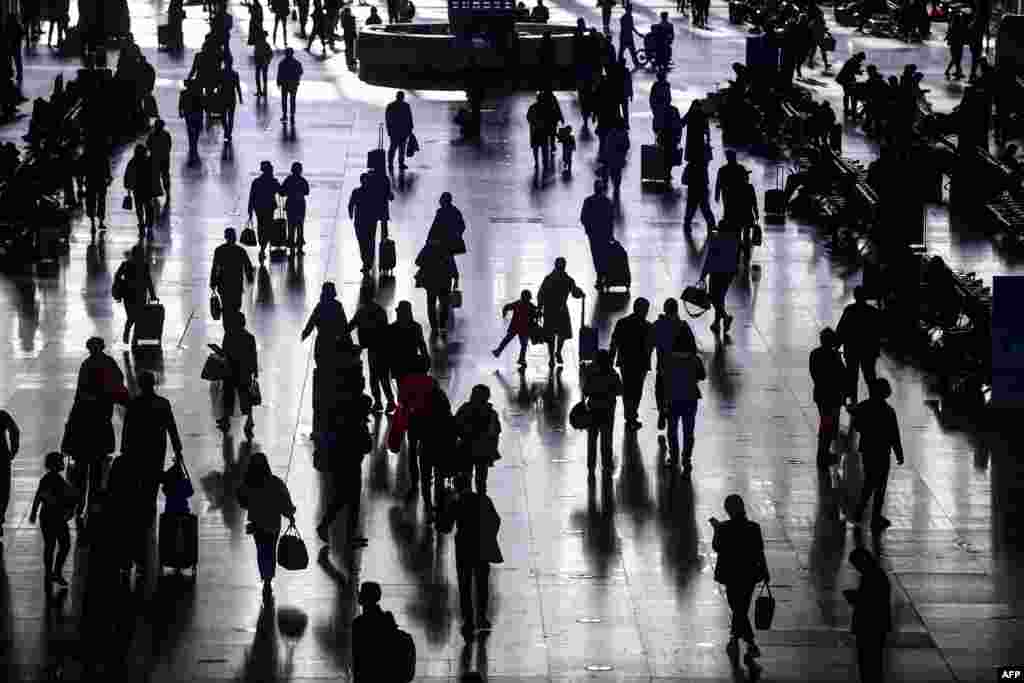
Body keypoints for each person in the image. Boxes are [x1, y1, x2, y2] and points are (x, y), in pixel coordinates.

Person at [65, 338, 124, 531]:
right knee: (98, 470)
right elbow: (118, 385)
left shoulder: (87, 365)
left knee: (82, 470)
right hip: (101, 422)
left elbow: (79, 395)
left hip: (84, 426)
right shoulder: (109, 364)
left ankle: (80, 504)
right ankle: (95, 505)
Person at [710, 494, 769, 662]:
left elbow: (717, 547)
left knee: (738, 608)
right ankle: (737, 639)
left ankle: (748, 643)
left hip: (731, 575)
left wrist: (716, 529)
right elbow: (759, 552)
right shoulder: (753, 527)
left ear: (728, 510)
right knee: (741, 608)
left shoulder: (724, 528)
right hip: (749, 575)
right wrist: (765, 571)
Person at [120, 370, 183, 524]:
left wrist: (124, 449)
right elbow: (171, 427)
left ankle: (140, 510)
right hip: (157, 447)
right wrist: (177, 448)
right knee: (154, 479)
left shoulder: (134, 404)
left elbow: (127, 429)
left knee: (139, 477)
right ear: (153, 384)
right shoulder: (162, 403)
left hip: (137, 448)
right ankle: (150, 509)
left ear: (140, 385)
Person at [237, 451, 296, 599]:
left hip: (257, 525)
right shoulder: (275, 482)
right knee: (271, 550)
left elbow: (243, 501)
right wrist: (289, 514)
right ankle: (269, 578)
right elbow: (285, 501)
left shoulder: (248, 484)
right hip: (273, 524)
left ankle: (266, 577)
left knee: (262, 551)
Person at [848, 378, 904, 531]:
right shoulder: (888, 411)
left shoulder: (864, 407)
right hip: (882, 452)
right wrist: (899, 453)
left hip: (868, 449)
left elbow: (857, 425)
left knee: (869, 481)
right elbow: (894, 434)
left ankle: (859, 511)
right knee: (880, 486)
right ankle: (876, 517)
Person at [452, 472, 502, 641]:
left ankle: (468, 620)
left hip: (463, 549)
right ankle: (482, 616)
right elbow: (496, 520)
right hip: (481, 548)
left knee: (464, 585)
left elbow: (445, 525)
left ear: (456, 487)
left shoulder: (457, 502)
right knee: (482, 584)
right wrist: (489, 536)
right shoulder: (483, 499)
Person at [648, 298, 697, 431]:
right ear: (676, 310)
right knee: (674, 395)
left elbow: (649, 344)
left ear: (665, 309)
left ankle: (661, 411)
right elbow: (693, 349)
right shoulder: (683, 326)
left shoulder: (657, 325)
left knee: (660, 391)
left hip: (662, 367)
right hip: (679, 370)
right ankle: (670, 417)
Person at [29, 452, 77, 586]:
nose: (63, 464)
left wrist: (34, 512)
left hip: (47, 517)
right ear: (57, 464)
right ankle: (56, 571)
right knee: (64, 544)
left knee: (50, 545)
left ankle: (50, 573)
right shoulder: (55, 480)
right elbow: (42, 496)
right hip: (56, 517)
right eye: (61, 462)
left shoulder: (48, 479)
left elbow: (38, 497)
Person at [844, 548, 892, 683]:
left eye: (857, 565)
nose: (857, 569)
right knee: (872, 664)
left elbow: (870, 603)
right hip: (876, 627)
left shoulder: (872, 576)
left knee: (869, 664)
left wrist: (853, 597)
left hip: (870, 628)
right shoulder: (875, 574)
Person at [609, 298, 652, 431]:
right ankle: (631, 415)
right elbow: (652, 345)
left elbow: (614, 342)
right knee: (637, 390)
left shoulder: (622, 323)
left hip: (625, 362)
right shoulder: (647, 326)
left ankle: (630, 415)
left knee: (627, 389)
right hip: (641, 364)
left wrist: (610, 359)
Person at [349, 292, 396, 413]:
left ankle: (379, 402)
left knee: (374, 377)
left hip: (373, 349)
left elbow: (351, 325)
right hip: (383, 348)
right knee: (384, 377)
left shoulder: (361, 312)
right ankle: (390, 401)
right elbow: (385, 328)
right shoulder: (380, 310)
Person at [836, 286, 882, 404]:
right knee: (870, 376)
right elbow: (878, 332)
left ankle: (854, 401)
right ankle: (875, 398)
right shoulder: (873, 312)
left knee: (852, 377)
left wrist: (837, 344)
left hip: (852, 350)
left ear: (855, 296)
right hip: (868, 350)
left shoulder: (849, 310)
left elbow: (842, 329)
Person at [219, 312, 259, 440]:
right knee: (246, 397)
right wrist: (255, 371)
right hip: (244, 372)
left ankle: (226, 419)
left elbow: (224, 352)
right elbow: (253, 355)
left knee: (228, 396)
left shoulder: (229, 335)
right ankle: (249, 421)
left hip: (230, 371)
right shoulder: (250, 337)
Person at [810, 328, 846, 470]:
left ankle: (823, 454)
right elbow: (842, 374)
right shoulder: (833, 355)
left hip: (820, 393)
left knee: (825, 423)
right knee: (829, 426)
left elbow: (814, 373)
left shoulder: (815, 354)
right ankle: (823, 456)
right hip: (832, 395)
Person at [582, 349, 622, 478]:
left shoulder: (591, 373)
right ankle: (606, 464)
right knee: (607, 438)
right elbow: (620, 391)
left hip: (593, 409)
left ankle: (591, 465)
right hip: (608, 410)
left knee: (592, 439)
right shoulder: (613, 374)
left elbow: (586, 390)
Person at [455, 385, 501, 493]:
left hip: (466, 449)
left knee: (466, 478)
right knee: (481, 481)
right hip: (483, 451)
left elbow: (455, 426)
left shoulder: (465, 409)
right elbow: (496, 432)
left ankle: (467, 501)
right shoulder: (491, 413)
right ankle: (481, 502)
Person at [537, 258, 584, 366]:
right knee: (561, 334)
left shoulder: (549, 278)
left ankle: (553, 356)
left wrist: (540, 307)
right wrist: (580, 293)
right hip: (561, 309)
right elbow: (575, 293)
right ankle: (557, 353)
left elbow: (541, 294)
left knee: (551, 335)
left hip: (549, 310)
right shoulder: (568, 279)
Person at [351, 582, 400, 681]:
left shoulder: (359, 623)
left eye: (361, 593)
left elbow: (357, 659)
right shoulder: (387, 620)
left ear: (363, 598)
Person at [699, 221, 740, 333]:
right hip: (729, 273)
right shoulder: (734, 240)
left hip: (716, 272)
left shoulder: (716, 240)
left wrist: (703, 275)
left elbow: (709, 259)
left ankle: (725, 318)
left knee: (713, 296)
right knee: (720, 297)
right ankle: (717, 323)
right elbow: (736, 258)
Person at [113, 245, 157, 345]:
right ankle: (130, 336)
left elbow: (117, 276)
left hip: (128, 294)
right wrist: (152, 294)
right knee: (136, 316)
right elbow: (148, 281)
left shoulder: (126, 264)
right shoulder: (144, 265)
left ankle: (129, 336)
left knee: (133, 316)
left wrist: (121, 286)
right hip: (140, 294)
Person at [414, 237, 458, 335]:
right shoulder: (446, 248)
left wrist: (428, 263)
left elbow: (417, 261)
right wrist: (456, 278)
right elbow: (452, 264)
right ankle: (442, 326)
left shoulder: (428, 248)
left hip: (431, 281)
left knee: (431, 304)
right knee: (444, 304)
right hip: (444, 281)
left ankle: (434, 326)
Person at [210, 228, 255, 323]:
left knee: (226, 307)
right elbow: (248, 266)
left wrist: (213, 282)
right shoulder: (240, 251)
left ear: (225, 237)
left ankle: (227, 326)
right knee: (236, 307)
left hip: (223, 285)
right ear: (235, 237)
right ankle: (234, 325)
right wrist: (249, 277)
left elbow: (215, 268)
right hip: (236, 285)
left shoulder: (219, 251)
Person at [581, 179, 614, 289]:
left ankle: (600, 276)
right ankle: (605, 274)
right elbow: (610, 219)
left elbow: (583, 217)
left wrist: (588, 229)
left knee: (596, 255)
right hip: (604, 234)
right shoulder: (607, 201)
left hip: (593, 234)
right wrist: (610, 234)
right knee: (604, 254)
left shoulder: (588, 201)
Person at [248, 160, 282, 262]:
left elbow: (252, 196)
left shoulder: (256, 182)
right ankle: (263, 248)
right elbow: (281, 192)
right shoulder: (272, 181)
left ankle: (262, 247)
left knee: (261, 226)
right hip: (269, 208)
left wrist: (250, 209)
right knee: (268, 226)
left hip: (259, 208)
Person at [493, 289, 537, 368]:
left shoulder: (518, 303)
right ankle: (521, 359)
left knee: (507, 340)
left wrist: (504, 315)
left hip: (515, 326)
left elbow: (506, 306)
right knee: (523, 344)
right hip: (524, 328)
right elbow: (536, 314)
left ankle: (498, 351)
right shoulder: (530, 306)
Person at [348, 173, 379, 273]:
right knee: (367, 243)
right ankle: (367, 262)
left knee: (365, 243)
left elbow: (351, 204)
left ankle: (367, 262)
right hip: (368, 221)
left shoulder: (357, 192)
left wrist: (351, 214)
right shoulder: (373, 192)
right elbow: (351, 204)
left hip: (363, 221)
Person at [124, 145, 156, 237]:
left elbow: (127, 175)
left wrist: (128, 186)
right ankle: (149, 223)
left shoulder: (132, 162)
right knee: (149, 206)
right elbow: (154, 174)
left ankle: (141, 223)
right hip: (147, 188)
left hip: (137, 188)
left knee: (139, 207)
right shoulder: (148, 161)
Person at [426, 191, 467, 257]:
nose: (439, 201)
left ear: (445, 200)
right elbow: (434, 228)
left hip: (444, 244)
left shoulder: (446, 212)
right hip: (442, 243)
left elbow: (434, 228)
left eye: (441, 199)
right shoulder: (451, 211)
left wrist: (454, 236)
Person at [82, 144, 112, 233]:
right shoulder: (103, 155)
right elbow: (107, 168)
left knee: (91, 202)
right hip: (101, 181)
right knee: (101, 201)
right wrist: (108, 178)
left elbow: (82, 168)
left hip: (90, 181)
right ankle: (101, 221)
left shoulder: (87, 155)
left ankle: (92, 223)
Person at [281, 162, 309, 254]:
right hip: (300, 205)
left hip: (291, 205)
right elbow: (307, 192)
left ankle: (291, 246)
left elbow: (282, 192)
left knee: (291, 226)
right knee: (300, 226)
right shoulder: (302, 180)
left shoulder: (288, 180)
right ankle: (299, 248)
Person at [0, 409, 19, 538]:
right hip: (1, 457)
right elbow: (14, 431)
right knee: (2, 490)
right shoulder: (2, 415)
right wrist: (13, 449)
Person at [385, 91, 414, 173]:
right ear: (402, 97)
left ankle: (390, 163)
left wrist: (389, 130)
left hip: (394, 131)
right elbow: (409, 118)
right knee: (401, 148)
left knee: (393, 148)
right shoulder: (406, 106)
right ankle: (400, 163)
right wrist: (410, 128)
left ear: (396, 96)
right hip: (403, 130)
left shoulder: (391, 106)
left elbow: (388, 119)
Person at [601, 119, 630, 201]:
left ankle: (615, 184)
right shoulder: (624, 133)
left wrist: (606, 155)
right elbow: (627, 145)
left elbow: (607, 145)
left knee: (613, 171)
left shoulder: (611, 133)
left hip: (612, 156)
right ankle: (617, 186)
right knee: (618, 172)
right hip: (620, 157)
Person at [179, 79, 205, 163]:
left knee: (190, 130)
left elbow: (181, 104)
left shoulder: (183, 93)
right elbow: (202, 105)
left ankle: (192, 145)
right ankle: (194, 144)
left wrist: (181, 112)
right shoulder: (198, 93)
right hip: (197, 114)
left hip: (188, 114)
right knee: (196, 130)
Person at [146, 119, 172, 200]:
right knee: (165, 176)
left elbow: (148, 145)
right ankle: (167, 193)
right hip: (165, 158)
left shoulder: (151, 135)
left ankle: (156, 193)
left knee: (155, 176)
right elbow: (169, 145)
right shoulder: (166, 134)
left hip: (154, 158)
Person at [219, 57, 244, 142]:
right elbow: (238, 87)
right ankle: (228, 132)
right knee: (230, 116)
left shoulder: (221, 73)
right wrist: (240, 97)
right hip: (231, 97)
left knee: (223, 116)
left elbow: (217, 85)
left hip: (222, 97)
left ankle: (226, 131)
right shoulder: (235, 74)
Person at [276, 47, 303, 123]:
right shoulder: (297, 63)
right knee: (292, 100)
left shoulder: (282, 63)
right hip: (294, 84)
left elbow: (279, 74)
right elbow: (301, 72)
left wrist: (278, 82)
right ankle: (292, 115)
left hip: (285, 84)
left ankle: (284, 115)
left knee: (284, 100)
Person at [836, 52, 866, 117]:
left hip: (844, 78)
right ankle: (849, 110)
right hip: (846, 80)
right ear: (860, 58)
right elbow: (855, 71)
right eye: (862, 59)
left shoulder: (852, 60)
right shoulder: (854, 62)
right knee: (849, 94)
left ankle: (847, 109)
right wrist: (860, 72)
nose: (861, 61)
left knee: (847, 94)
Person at [945, 10, 967, 80]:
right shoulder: (959, 27)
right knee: (956, 59)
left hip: (954, 45)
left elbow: (949, 35)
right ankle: (956, 72)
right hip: (958, 45)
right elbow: (963, 36)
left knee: (955, 59)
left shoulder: (953, 26)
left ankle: (957, 71)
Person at [619, 3, 641, 68]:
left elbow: (631, 27)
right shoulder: (625, 18)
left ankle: (635, 63)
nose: (630, 10)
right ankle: (636, 63)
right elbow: (630, 27)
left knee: (624, 52)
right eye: (630, 9)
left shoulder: (627, 17)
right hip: (626, 37)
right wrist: (638, 34)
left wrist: (638, 33)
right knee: (630, 51)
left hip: (625, 37)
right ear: (627, 9)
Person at [254, 32, 273, 97]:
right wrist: (268, 61)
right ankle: (263, 91)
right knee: (263, 78)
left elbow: (256, 53)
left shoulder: (259, 44)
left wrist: (267, 61)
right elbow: (271, 54)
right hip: (263, 63)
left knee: (258, 77)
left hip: (260, 62)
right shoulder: (266, 45)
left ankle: (260, 91)